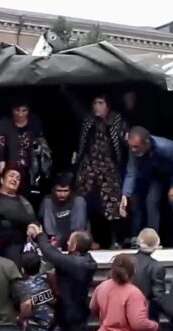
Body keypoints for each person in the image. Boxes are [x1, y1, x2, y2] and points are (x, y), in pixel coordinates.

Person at [72, 95, 128, 249]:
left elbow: (125, 140)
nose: (97, 106)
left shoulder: (116, 120)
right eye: (94, 103)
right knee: (83, 202)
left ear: (107, 106)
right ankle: (86, 239)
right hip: (89, 166)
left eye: (100, 103)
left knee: (112, 204)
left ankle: (116, 241)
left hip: (109, 167)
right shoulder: (88, 120)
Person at [121, 127, 173, 246]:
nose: (133, 150)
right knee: (151, 201)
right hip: (156, 175)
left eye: (136, 147)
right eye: (131, 146)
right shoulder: (134, 150)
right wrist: (125, 194)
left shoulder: (165, 147)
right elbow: (131, 171)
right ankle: (152, 239)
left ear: (146, 144)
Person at [0, 98, 49, 199]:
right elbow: (0, 154)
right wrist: (3, 176)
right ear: (12, 110)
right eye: (17, 110)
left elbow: (40, 146)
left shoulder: (34, 122)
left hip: (30, 170)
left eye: (24, 110)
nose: (20, 114)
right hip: (9, 168)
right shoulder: (3, 124)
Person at [40, 172, 87, 251]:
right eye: (59, 191)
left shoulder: (78, 200)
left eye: (65, 191)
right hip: (55, 239)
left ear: (71, 191)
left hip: (75, 238)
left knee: (80, 201)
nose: (62, 194)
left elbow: (82, 226)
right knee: (47, 201)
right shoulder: (47, 201)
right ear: (53, 190)